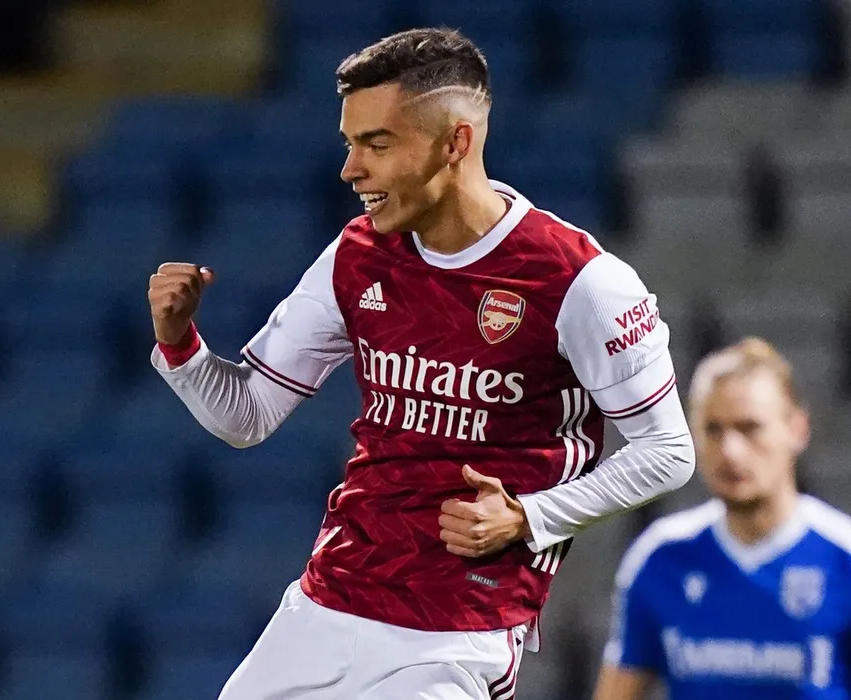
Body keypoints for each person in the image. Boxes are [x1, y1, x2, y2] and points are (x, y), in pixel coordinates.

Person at [148, 27, 695, 700]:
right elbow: (248, 414)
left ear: (455, 142)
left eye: (377, 144)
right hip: (325, 607)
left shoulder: (580, 282)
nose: (351, 170)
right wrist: (180, 342)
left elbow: (668, 451)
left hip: (457, 633)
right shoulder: (356, 255)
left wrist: (530, 516)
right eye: (350, 143)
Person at [594, 338, 851, 700]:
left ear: (797, 429)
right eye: (713, 430)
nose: (730, 451)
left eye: (750, 428)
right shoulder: (659, 560)